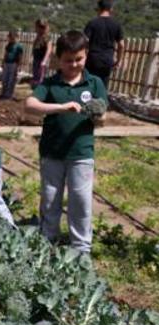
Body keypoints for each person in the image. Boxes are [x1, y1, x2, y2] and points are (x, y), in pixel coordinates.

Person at [25, 30, 107, 254]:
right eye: (68, 60)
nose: (73, 64)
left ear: (86, 56)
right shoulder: (51, 84)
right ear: (58, 59)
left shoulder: (94, 83)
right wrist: (61, 107)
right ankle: (48, 239)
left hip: (81, 152)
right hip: (52, 151)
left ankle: (81, 247)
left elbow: (103, 116)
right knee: (50, 198)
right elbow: (30, 105)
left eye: (79, 59)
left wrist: (97, 116)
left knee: (80, 199)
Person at [84, 0, 125, 89]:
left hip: (92, 58)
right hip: (107, 59)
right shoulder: (116, 25)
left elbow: (85, 41)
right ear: (111, 9)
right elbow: (121, 45)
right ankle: (101, 101)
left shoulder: (92, 23)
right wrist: (118, 60)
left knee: (89, 84)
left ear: (99, 8)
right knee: (102, 85)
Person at [0, 30, 23, 100]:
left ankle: (8, 95)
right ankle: (3, 93)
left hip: (14, 64)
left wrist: (19, 65)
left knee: (11, 80)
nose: (11, 39)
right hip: (7, 63)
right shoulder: (8, 45)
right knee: (4, 79)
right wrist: (3, 62)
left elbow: (20, 57)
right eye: (10, 37)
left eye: (12, 37)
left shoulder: (19, 46)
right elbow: (5, 54)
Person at [31, 19, 53, 88]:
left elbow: (49, 49)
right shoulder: (38, 37)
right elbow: (35, 47)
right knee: (35, 77)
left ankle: (40, 93)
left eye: (36, 27)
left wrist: (44, 61)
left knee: (40, 78)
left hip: (41, 60)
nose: (35, 29)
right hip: (36, 59)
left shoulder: (47, 37)